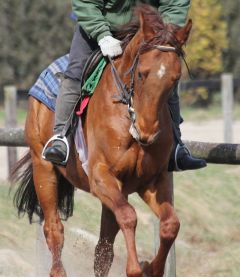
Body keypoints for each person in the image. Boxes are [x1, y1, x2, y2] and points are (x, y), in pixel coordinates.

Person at [43, 0, 206, 171]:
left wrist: (166, 33)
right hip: (99, 25)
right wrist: (102, 35)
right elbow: (85, 3)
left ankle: (176, 147)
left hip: (148, 30)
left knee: (163, 78)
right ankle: (61, 138)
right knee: (75, 74)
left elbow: (176, 3)